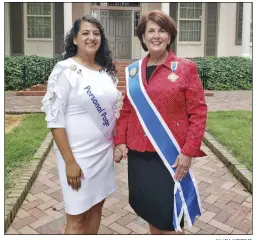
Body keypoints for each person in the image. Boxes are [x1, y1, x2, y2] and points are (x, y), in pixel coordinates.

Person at [114, 10, 207, 235]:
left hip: (171, 156)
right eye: (151, 31)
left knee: (170, 220)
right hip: (139, 154)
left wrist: (188, 152)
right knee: (151, 212)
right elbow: (127, 109)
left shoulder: (185, 68)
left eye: (162, 31)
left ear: (170, 36)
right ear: (143, 37)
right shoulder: (133, 71)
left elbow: (198, 112)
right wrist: (120, 141)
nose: (156, 36)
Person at [41, 15, 122, 234]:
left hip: (102, 154)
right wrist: (69, 161)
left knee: (96, 209)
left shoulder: (106, 72)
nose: (91, 37)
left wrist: (117, 142)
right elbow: (55, 119)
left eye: (96, 33)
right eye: (85, 33)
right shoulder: (64, 70)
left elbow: (113, 112)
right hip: (76, 156)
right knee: (76, 219)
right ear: (75, 39)